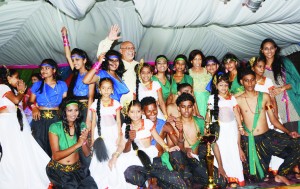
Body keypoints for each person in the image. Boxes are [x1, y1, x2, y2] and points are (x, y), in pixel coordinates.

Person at [236, 68, 300, 185]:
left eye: (252, 80)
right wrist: (239, 147)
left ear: (255, 81)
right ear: (241, 82)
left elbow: (273, 120)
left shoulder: (264, 96)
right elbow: (236, 125)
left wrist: (288, 132)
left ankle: (281, 174)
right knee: (257, 178)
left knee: (297, 144)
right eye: (246, 80)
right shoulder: (237, 100)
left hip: (268, 137)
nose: (250, 83)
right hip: (252, 142)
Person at [0, 66, 50, 189]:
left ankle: (26, 178)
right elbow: (16, 101)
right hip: (8, 123)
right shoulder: (3, 87)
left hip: (17, 122)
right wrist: (22, 91)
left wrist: (20, 91)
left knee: (23, 149)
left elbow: (20, 106)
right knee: (12, 151)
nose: (18, 80)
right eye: (16, 77)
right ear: (8, 78)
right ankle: (12, 181)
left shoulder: (14, 90)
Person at [119, 100, 184, 188]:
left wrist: (167, 148)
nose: (135, 114)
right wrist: (130, 140)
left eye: (138, 111)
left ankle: (154, 178)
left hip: (150, 156)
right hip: (134, 157)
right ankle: (144, 182)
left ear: (142, 112)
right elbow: (125, 150)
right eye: (132, 112)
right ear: (128, 113)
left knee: (175, 180)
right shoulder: (125, 127)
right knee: (127, 172)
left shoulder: (147, 123)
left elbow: (157, 137)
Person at [175, 93, 227, 188]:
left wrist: (220, 166)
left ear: (193, 107)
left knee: (222, 181)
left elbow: (213, 143)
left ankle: (197, 177)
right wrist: (186, 149)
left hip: (200, 160)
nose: (186, 110)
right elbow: (176, 149)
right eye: (183, 107)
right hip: (184, 162)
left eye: (189, 106)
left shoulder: (200, 122)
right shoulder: (174, 124)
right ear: (178, 108)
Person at [46, 99, 97, 189]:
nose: (73, 114)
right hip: (59, 172)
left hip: (77, 170)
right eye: (70, 110)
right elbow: (56, 156)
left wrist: (84, 141)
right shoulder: (55, 127)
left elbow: (87, 153)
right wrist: (78, 144)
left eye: (76, 110)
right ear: (64, 111)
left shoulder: (81, 126)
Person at [247, 56, 284, 178]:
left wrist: (276, 116)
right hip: (258, 118)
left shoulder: (267, 81)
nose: (262, 69)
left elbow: (273, 99)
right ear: (253, 68)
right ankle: (264, 168)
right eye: (259, 67)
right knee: (263, 143)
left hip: (270, 114)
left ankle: (276, 168)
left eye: (263, 66)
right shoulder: (249, 82)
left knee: (275, 140)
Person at [207, 73, 245, 186]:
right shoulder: (212, 98)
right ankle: (226, 177)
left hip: (232, 128)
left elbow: (237, 113)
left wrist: (240, 126)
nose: (224, 87)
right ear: (216, 85)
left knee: (233, 150)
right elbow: (208, 114)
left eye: (226, 85)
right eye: (221, 85)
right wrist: (207, 127)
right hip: (220, 129)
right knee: (223, 151)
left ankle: (236, 177)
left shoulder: (232, 97)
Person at [88, 78, 125, 189]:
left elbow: (118, 120)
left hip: (113, 132)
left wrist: (119, 135)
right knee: (99, 157)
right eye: (103, 88)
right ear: (99, 89)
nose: (106, 90)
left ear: (112, 90)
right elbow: (93, 121)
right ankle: (100, 182)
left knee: (112, 153)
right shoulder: (95, 104)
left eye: (109, 88)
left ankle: (113, 181)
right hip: (100, 133)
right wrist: (92, 138)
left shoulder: (116, 103)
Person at [259, 38, 300, 132]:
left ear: (275, 49)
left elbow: (297, 81)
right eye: (266, 48)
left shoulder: (284, 62)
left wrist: (282, 88)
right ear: (262, 50)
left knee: (294, 134)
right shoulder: (260, 67)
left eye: (271, 48)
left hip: (289, 103)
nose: (269, 51)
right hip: (272, 106)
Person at [30, 59, 68, 157]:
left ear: (54, 70)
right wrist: (34, 107)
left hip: (56, 116)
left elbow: (65, 101)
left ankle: (54, 167)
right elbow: (30, 101)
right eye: (42, 68)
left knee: (56, 143)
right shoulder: (37, 85)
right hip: (40, 116)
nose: (44, 70)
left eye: (47, 68)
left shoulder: (62, 85)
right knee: (39, 141)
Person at [95, 25, 138, 107]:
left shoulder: (139, 65)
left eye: (132, 48)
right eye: (128, 48)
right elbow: (101, 55)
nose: (131, 50)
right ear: (121, 51)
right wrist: (109, 40)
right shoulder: (116, 64)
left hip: (135, 102)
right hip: (118, 102)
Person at [61, 27, 95, 123]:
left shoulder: (90, 74)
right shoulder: (75, 72)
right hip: (73, 107)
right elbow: (68, 55)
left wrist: (89, 118)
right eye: (73, 60)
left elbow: (91, 97)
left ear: (84, 60)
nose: (74, 62)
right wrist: (64, 37)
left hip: (85, 108)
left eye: (77, 60)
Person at [188, 50, 211, 117]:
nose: (198, 61)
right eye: (195, 59)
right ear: (191, 61)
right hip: (194, 99)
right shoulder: (188, 72)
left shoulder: (207, 70)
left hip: (207, 99)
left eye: (199, 59)